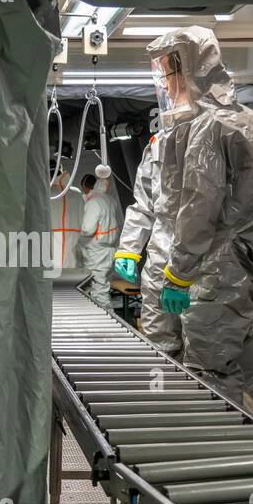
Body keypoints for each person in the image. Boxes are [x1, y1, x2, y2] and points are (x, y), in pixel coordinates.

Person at [148, 26, 253, 451]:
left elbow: (199, 206)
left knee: (208, 354)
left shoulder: (210, 127)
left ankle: (219, 456)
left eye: (167, 73)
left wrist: (179, 274)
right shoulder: (240, 119)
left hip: (229, 257)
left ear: (187, 70)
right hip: (251, 251)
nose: (164, 85)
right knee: (238, 344)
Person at [112, 132, 182, 354]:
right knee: (159, 344)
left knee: (208, 351)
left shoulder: (223, 131)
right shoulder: (158, 143)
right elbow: (143, 204)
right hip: (160, 261)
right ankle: (165, 388)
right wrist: (128, 250)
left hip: (208, 261)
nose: (169, 94)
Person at [75, 173, 122, 307]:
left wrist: (78, 227)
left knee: (98, 291)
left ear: (84, 187)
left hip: (97, 253)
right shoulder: (110, 200)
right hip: (110, 250)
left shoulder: (94, 202)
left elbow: (88, 229)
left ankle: (107, 322)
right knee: (103, 286)